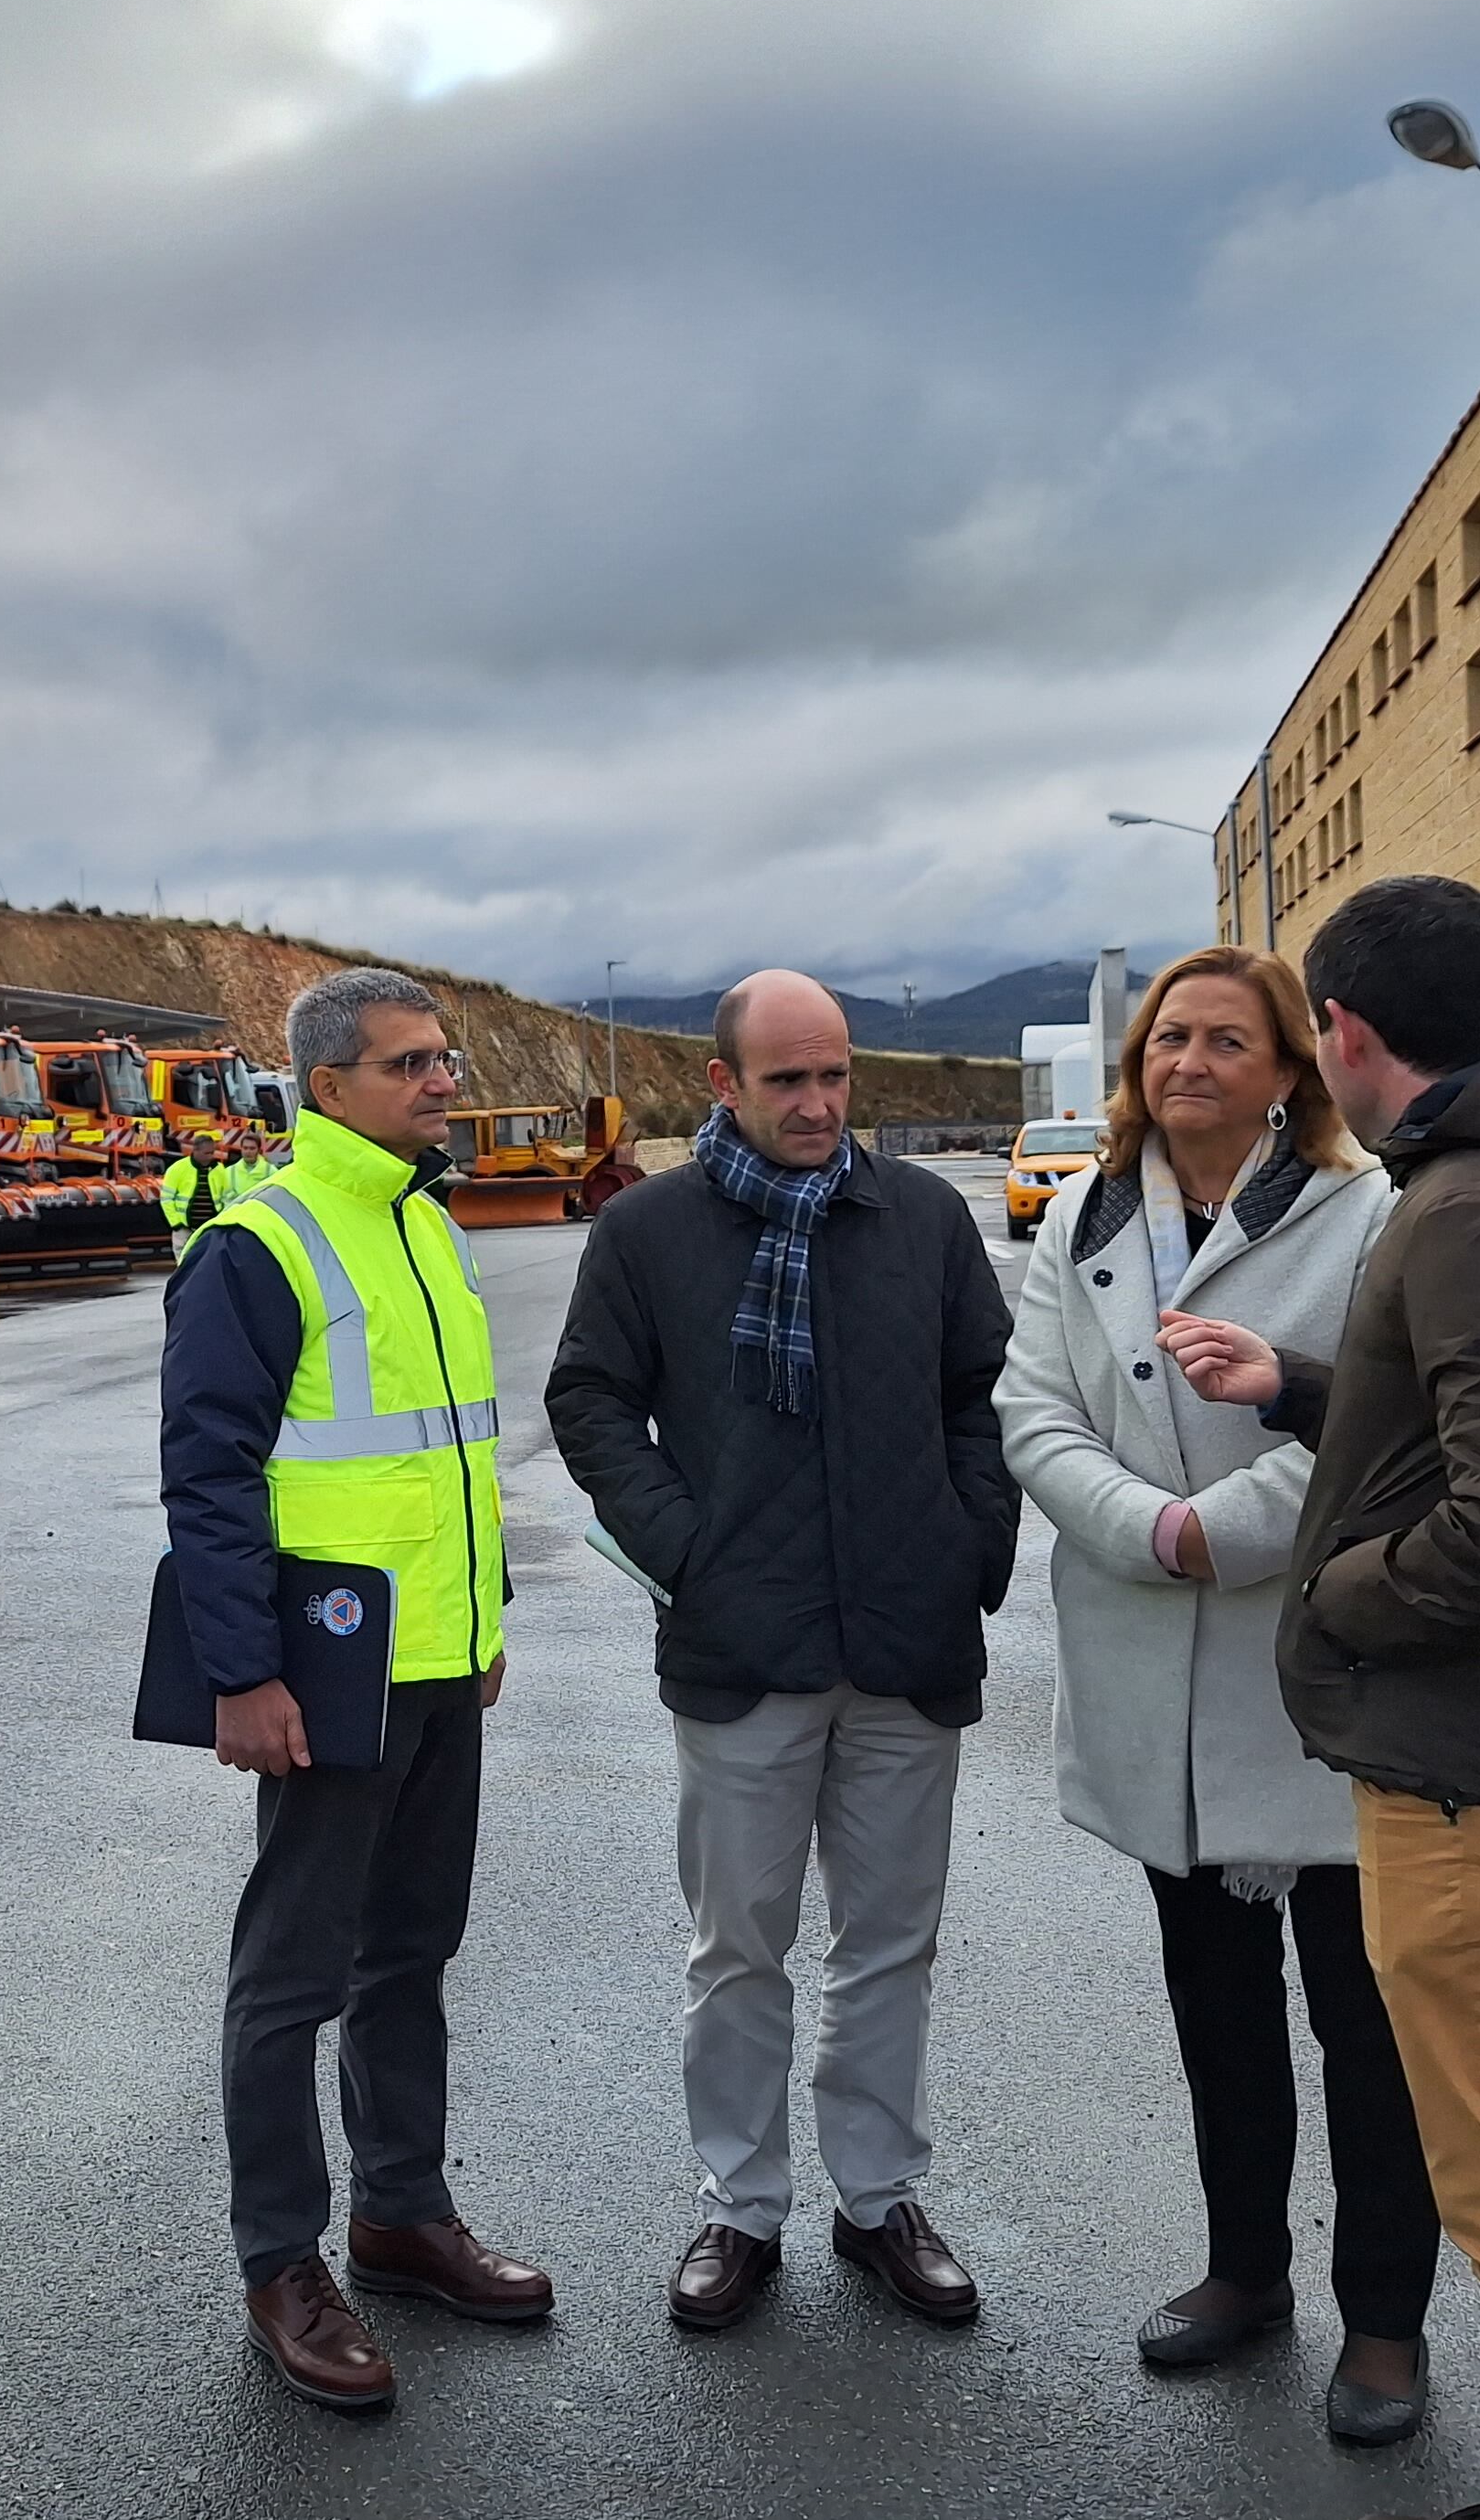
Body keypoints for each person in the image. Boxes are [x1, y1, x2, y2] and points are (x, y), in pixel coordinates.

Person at [1162, 877, 1480, 2520]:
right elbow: (1476, 1435)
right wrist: (1310, 1389)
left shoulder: (1471, 1213)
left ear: (1344, 1032)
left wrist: (1338, 1596)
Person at [994, 945, 1439, 2446]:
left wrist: (1221, 1535)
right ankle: (1245, 2271)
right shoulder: (1086, 1213)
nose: (1188, 1060)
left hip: (1316, 1674)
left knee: (1369, 2030)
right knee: (1218, 2010)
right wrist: (1147, 1530)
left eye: (1226, 1040)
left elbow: (1387, 1429)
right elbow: (1033, 1409)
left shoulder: (1366, 1215)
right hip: (1154, 1667)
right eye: (1168, 1036)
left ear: (1291, 1069)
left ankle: (1384, 2322)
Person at [546, 971, 1017, 2334]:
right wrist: (687, 1550)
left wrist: (968, 1544)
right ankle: (740, 2208)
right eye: (788, 1081)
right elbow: (590, 1397)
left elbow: (983, 1395)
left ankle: (878, 2201)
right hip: (741, 1648)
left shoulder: (921, 1218)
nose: (818, 1105)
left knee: (891, 1943)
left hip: (907, 1639)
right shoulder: (647, 1231)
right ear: (725, 1085)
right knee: (738, 1946)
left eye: (835, 1076)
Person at [159, 965, 545, 2410]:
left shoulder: (427, 1223)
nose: (444, 1082)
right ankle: (282, 2263)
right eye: (411, 1064)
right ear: (329, 1088)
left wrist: (485, 1619)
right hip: (325, 1675)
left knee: (412, 1952)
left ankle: (400, 2214)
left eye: (445, 1059)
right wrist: (243, 1673)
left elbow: (450, 1455)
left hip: (439, 1660)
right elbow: (207, 1475)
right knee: (291, 1979)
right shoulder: (260, 1244)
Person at [163, 1128, 239, 1247]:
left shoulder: (219, 1170)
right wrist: (177, 1224)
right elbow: (166, 1199)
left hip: (211, 1229)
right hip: (184, 1230)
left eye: (212, 1152)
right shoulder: (177, 1169)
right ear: (195, 1150)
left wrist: (223, 1222)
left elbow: (228, 1197)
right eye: (207, 1153)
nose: (210, 1156)